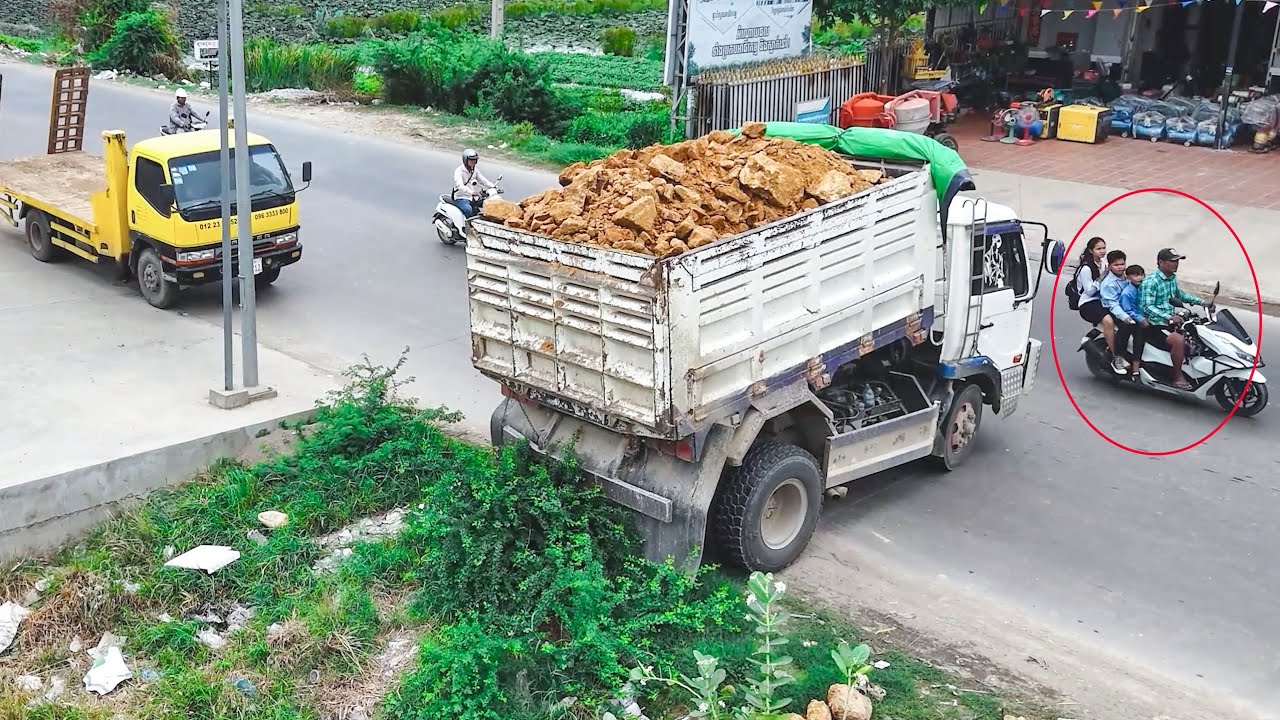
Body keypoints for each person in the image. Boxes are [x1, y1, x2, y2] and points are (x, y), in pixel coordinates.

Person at [1138, 248, 1205, 390]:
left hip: (1168, 322)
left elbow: (1179, 294)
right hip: (1154, 324)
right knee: (1179, 341)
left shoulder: (1171, 278)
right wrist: (1169, 317)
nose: (1176, 264)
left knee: (1194, 338)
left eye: (1177, 261)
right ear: (1161, 262)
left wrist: (1202, 302)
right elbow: (1147, 306)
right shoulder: (1151, 282)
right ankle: (1177, 376)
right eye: (1172, 261)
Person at [1075, 237, 1119, 364]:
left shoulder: (1103, 264)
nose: (1102, 251)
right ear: (1091, 250)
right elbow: (1089, 291)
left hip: (1102, 299)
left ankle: (1090, 336)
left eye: (1103, 248)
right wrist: (1101, 277)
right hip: (1088, 302)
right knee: (1108, 321)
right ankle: (1115, 356)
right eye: (1098, 249)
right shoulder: (1086, 269)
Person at [1097, 249, 1131, 373]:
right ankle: (1117, 357)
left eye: (1122, 264)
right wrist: (1125, 317)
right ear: (1110, 266)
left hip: (1129, 309)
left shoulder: (1128, 277)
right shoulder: (1108, 284)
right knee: (1125, 327)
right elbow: (1113, 304)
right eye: (1116, 265)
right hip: (1115, 310)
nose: (1120, 267)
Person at [1115, 264, 1149, 376]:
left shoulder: (1143, 288)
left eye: (1141, 275)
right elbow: (1127, 311)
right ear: (1128, 277)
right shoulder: (1127, 293)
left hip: (1144, 317)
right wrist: (1141, 319)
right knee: (1139, 337)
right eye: (1135, 275)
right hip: (1130, 319)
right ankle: (1135, 366)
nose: (1139, 277)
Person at [452, 148, 495, 219]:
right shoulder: (459, 171)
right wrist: (472, 192)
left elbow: (483, 180)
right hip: (461, 197)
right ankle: (467, 227)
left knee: (488, 205)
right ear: (466, 160)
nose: (473, 162)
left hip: (473, 198)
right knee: (468, 209)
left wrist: (493, 186)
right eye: (471, 160)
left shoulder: (474, 170)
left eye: (475, 160)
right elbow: (460, 186)